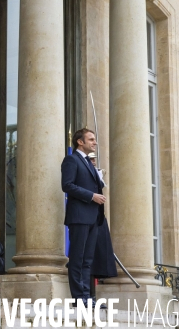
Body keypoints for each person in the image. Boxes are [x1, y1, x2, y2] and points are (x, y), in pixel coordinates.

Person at [61, 128, 105, 307]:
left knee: (87, 260)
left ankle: (87, 297)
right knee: (77, 259)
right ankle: (79, 298)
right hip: (79, 216)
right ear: (80, 141)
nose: (95, 142)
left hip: (93, 217)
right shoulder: (72, 159)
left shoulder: (88, 162)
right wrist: (91, 196)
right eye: (91, 139)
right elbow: (67, 185)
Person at [86, 153, 117, 296]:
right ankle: (87, 295)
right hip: (87, 218)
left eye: (94, 159)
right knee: (88, 259)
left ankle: (93, 295)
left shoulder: (95, 174)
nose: (93, 162)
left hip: (98, 219)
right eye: (90, 159)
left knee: (98, 258)